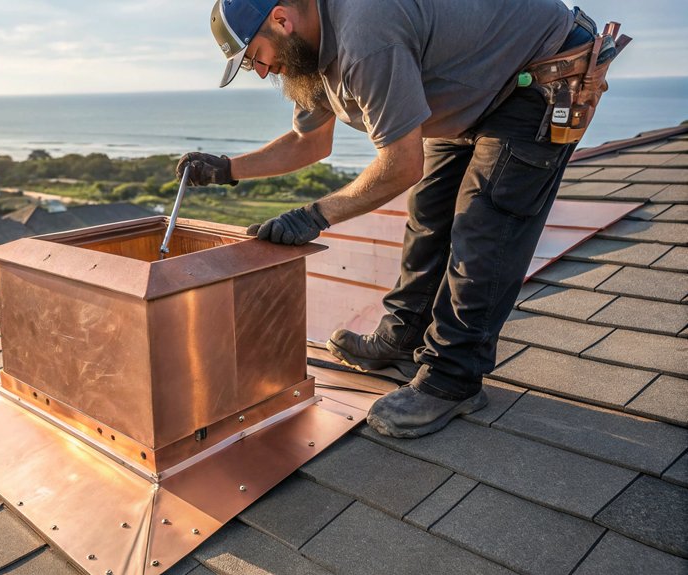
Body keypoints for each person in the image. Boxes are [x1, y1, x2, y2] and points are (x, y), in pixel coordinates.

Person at [178, 0, 601, 438]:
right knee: (427, 217)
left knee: (483, 227)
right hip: (475, 88)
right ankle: (404, 338)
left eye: (254, 58)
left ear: (282, 20)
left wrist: (314, 215)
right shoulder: (311, 56)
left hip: (537, 74)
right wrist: (227, 169)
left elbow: (400, 165)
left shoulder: (364, 37)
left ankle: (452, 379)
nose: (263, 72)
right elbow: (310, 142)